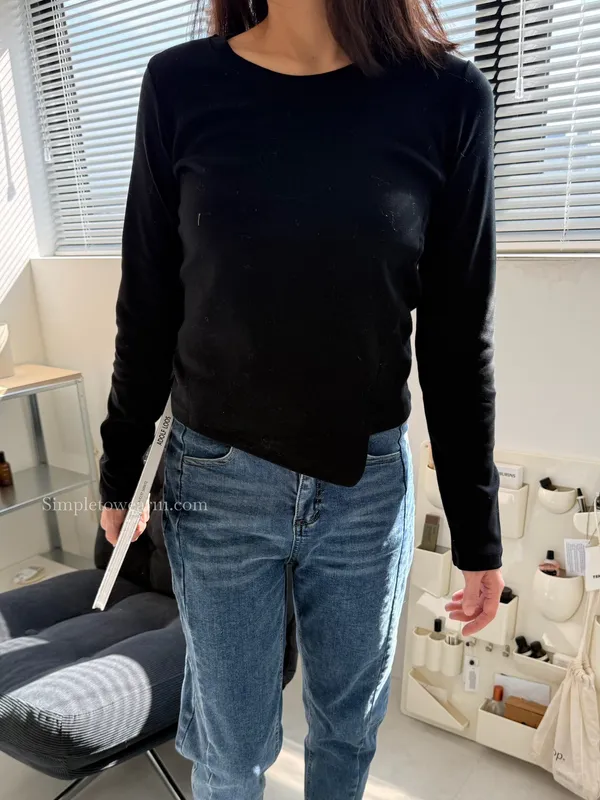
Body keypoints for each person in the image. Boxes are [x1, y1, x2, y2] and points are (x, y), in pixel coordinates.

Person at [98, 0, 505, 797]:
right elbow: (149, 298)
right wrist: (120, 473)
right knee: (230, 753)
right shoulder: (180, 85)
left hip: (367, 488)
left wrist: (477, 531)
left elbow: (458, 338)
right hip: (216, 482)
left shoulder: (448, 97)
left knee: (347, 734)